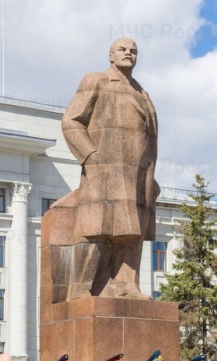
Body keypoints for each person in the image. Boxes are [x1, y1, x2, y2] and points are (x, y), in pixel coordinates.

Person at [59, 37, 160, 299]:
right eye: (123, 50)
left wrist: (151, 176)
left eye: (134, 51)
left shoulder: (142, 93)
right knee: (98, 229)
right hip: (105, 168)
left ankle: (127, 286)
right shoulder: (97, 80)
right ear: (111, 56)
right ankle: (81, 290)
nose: (129, 54)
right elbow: (71, 122)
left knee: (132, 231)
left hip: (139, 173)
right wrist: (91, 156)